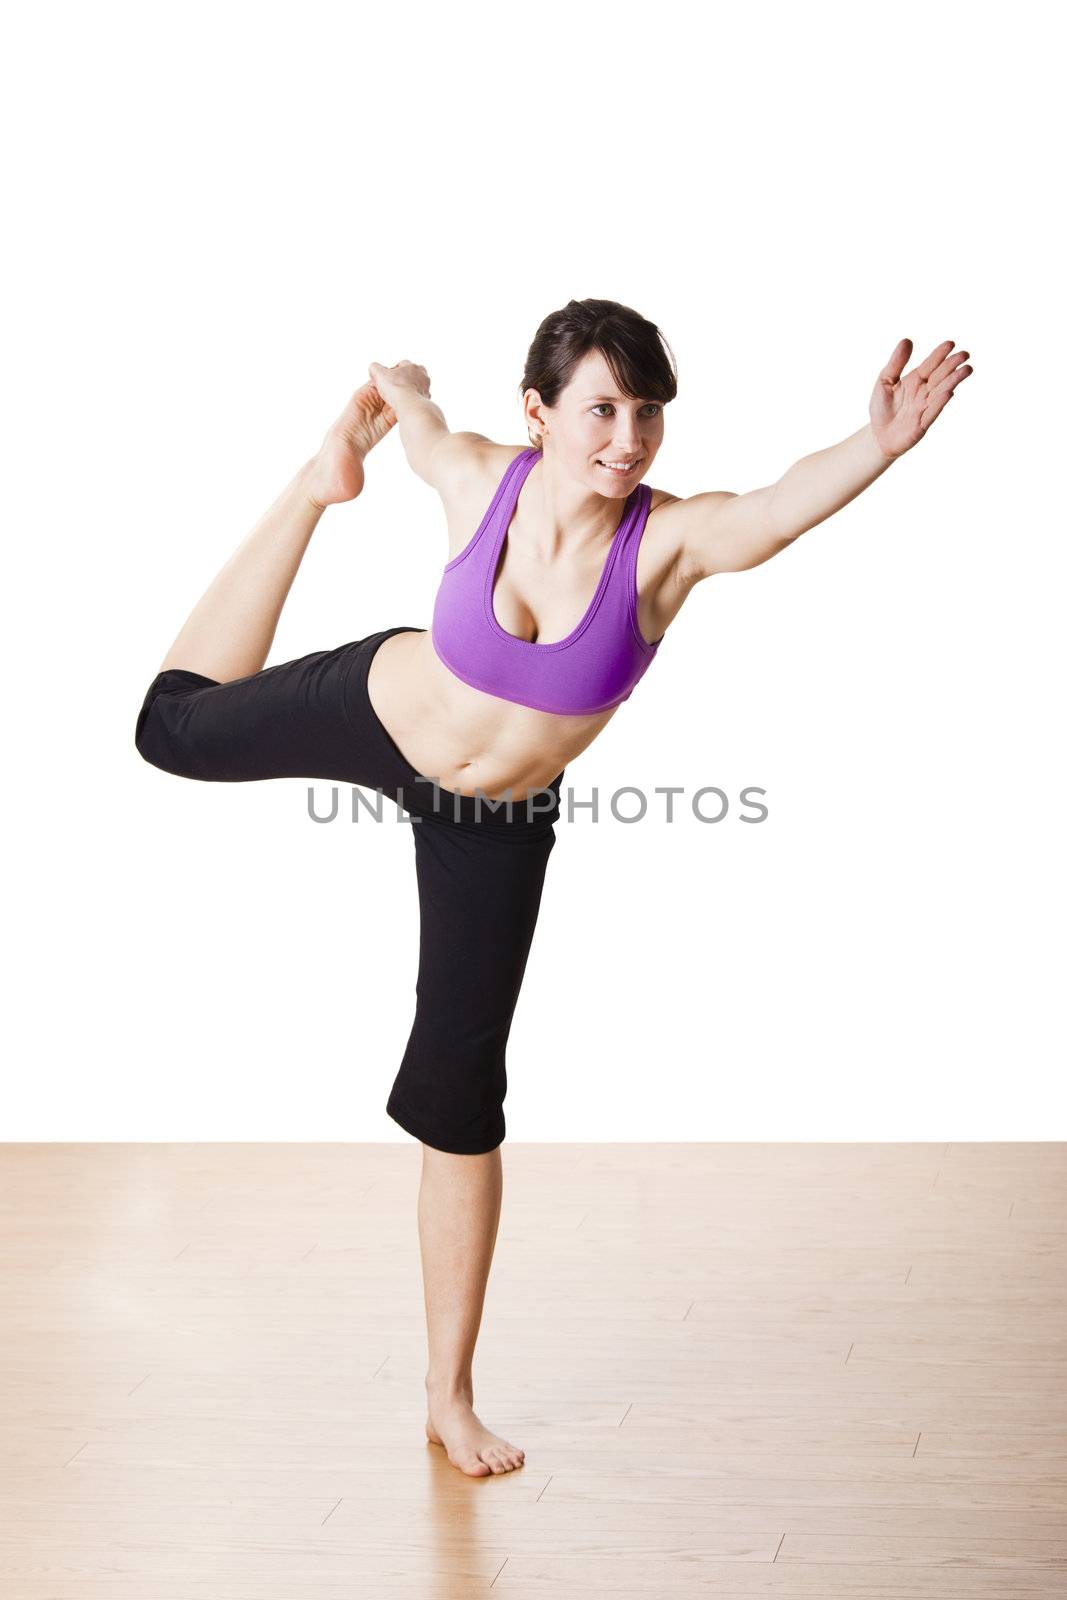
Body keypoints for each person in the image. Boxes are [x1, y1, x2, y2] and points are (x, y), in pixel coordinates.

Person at [134, 297, 972, 1476]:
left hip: (496, 818)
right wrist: (389, 395)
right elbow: (417, 422)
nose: (625, 438)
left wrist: (874, 448)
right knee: (168, 730)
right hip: (383, 710)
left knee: (458, 1093)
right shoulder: (480, 477)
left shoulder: (666, 546)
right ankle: (304, 493)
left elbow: (774, 507)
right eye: (598, 409)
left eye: (644, 412)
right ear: (538, 414)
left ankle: (447, 1394)